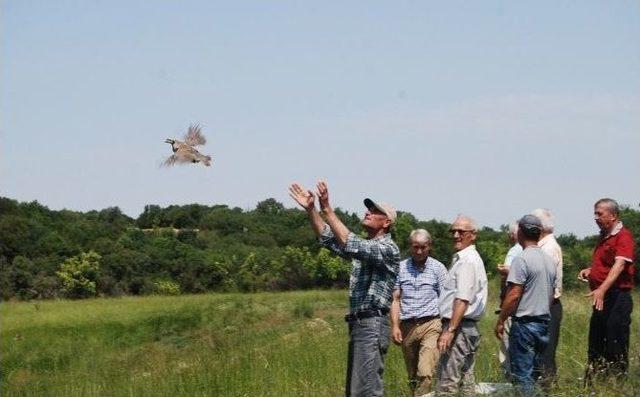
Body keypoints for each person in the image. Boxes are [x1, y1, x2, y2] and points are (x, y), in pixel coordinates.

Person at [289, 181, 400, 397]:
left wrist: (328, 210)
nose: (368, 212)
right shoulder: (365, 248)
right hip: (360, 324)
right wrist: (312, 209)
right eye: (368, 208)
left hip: (372, 324)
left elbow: (352, 244)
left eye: (375, 211)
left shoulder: (387, 248)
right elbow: (329, 238)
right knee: (357, 391)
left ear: (386, 222)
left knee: (365, 391)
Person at [495, 215, 557, 396]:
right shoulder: (549, 260)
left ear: (520, 232)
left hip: (525, 325)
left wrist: (501, 320)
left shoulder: (521, 260)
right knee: (536, 374)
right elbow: (552, 294)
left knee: (522, 375)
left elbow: (514, 295)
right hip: (544, 323)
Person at [578, 198, 636, 382]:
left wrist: (601, 289)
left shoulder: (623, 236)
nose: (595, 217)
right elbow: (607, 264)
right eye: (595, 213)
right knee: (596, 343)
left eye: (599, 213)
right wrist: (591, 271)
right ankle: (594, 385)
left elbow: (619, 265)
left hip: (617, 298)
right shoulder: (603, 236)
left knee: (615, 343)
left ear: (613, 215)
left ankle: (617, 385)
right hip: (602, 297)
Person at [390, 229, 447, 396]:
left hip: (431, 324)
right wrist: (395, 326)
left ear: (429, 246)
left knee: (425, 371)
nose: (419, 251)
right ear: (410, 246)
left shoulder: (438, 268)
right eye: (415, 247)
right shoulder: (400, 268)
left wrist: (446, 327)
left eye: (423, 247)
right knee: (413, 374)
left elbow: (446, 298)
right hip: (407, 325)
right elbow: (395, 299)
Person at [436, 215, 488, 396]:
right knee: (466, 382)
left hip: (459, 327)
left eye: (461, 231)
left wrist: (449, 330)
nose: (456, 235)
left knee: (447, 383)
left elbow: (463, 298)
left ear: (473, 235)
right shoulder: (466, 258)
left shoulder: (467, 260)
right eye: (453, 231)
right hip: (465, 327)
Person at [531, 208, 563, 386]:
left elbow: (548, 284)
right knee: (540, 353)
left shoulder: (549, 248)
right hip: (544, 305)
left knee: (545, 354)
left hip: (547, 306)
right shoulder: (544, 246)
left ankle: (546, 389)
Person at [496, 221, 523, 377]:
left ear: (513, 235)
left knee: (508, 353)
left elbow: (508, 278)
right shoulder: (535, 251)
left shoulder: (514, 251)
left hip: (512, 309)